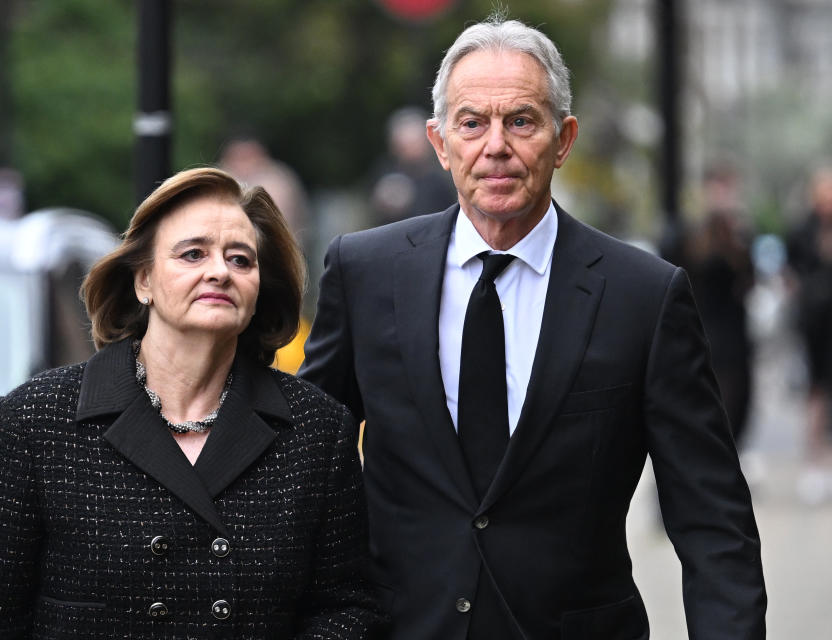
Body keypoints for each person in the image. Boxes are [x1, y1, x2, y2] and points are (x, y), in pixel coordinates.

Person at [299, 16, 766, 640]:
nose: (496, 145)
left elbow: (712, 518)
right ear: (441, 143)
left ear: (563, 138)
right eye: (472, 123)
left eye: (521, 120)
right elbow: (305, 467)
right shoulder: (363, 272)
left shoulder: (644, 297)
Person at [0, 167, 385, 639]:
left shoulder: (316, 431)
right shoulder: (34, 422)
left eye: (240, 260)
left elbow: (348, 612)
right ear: (143, 281)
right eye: (192, 254)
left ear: (258, 290)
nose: (219, 270)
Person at [685, 164, 756, 448]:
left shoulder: (740, 236)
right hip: (701, 330)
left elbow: (748, 281)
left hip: (732, 335)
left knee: (734, 406)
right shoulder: (690, 235)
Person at [786, 164, 832, 503]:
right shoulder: (802, 231)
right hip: (816, 326)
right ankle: (815, 465)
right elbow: (791, 276)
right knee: (816, 391)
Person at [369, 106, 456, 225]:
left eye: (415, 142)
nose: (412, 149)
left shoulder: (442, 177)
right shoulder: (385, 174)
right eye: (406, 144)